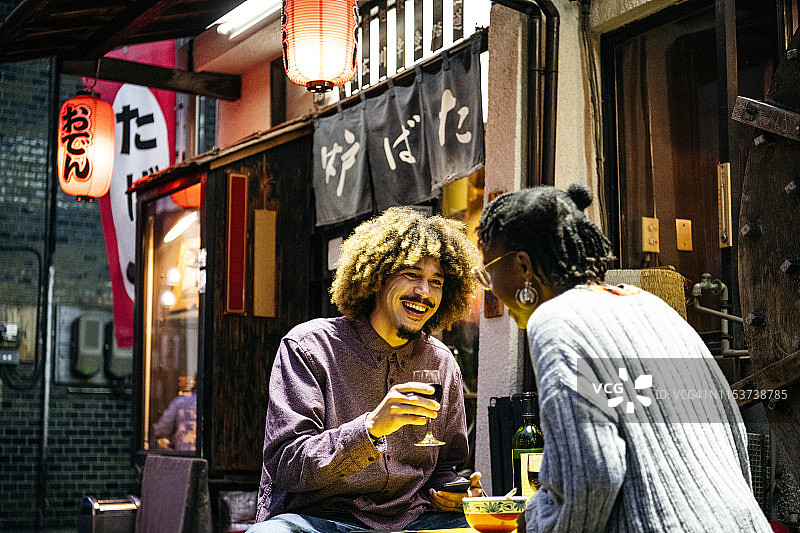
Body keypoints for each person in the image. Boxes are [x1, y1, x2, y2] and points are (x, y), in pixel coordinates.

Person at [475, 184, 771, 532]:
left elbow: (592, 475)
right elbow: (732, 431)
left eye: (487, 269)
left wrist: (536, 524)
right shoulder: (653, 307)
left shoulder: (556, 319)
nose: (490, 285)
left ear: (523, 265)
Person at [248, 206, 484, 533]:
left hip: (411, 522)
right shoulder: (308, 347)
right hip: (322, 521)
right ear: (376, 277)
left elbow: (445, 465)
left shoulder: (441, 363)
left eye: (436, 281)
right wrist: (370, 428)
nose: (424, 292)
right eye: (412, 274)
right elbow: (288, 464)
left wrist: (454, 492)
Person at [152, 375, 197, 452]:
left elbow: (162, 428)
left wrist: (151, 429)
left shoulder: (181, 402)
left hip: (185, 453)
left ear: (195, 382)